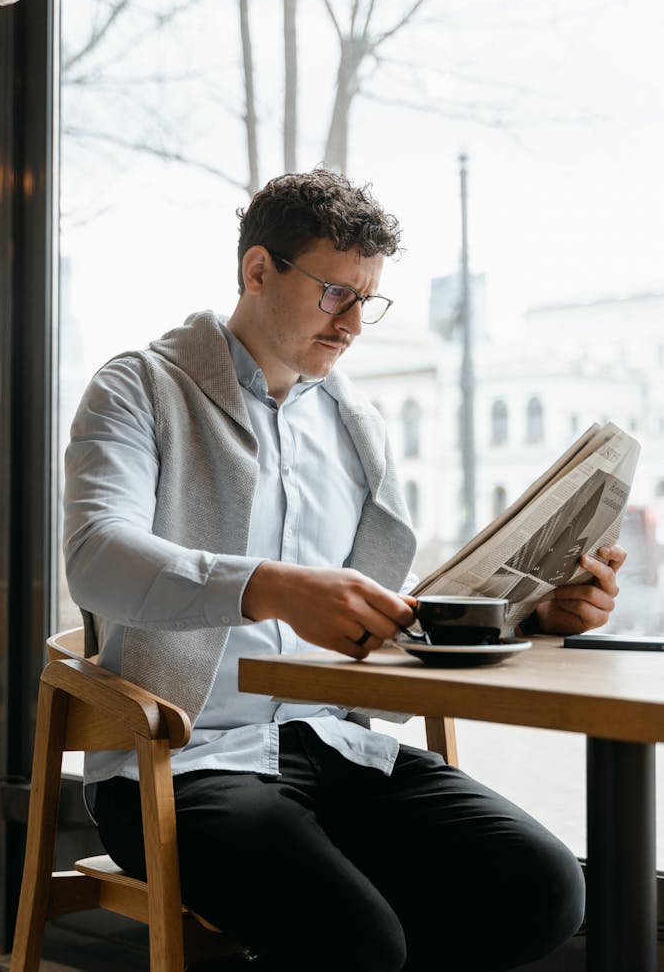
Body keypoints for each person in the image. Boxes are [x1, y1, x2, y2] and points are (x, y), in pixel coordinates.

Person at [64, 168, 626, 972]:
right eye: (336, 293)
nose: (356, 323)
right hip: (180, 762)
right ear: (258, 271)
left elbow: (391, 603)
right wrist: (273, 587)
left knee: (543, 891)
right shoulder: (140, 388)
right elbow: (97, 554)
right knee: (356, 941)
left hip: (334, 741)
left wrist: (537, 613)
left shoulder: (355, 423)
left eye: (370, 298)